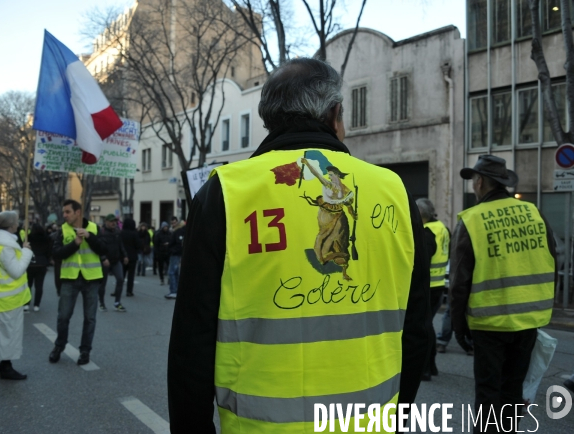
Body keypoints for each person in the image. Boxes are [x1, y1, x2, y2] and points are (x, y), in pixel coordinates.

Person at [167, 58, 430, 433]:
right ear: (335, 113)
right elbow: (417, 326)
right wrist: (398, 414)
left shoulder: (225, 191)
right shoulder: (394, 191)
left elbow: (192, 339)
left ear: (267, 119)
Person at [450, 155, 557, 433]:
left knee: (488, 391)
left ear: (481, 182)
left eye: (474, 179)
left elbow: (459, 282)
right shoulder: (533, 213)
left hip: (490, 323)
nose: (474, 184)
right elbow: (551, 258)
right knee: (512, 390)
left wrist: (458, 328)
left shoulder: (473, 219)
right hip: (529, 320)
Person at [49, 199, 106, 366]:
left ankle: (85, 351)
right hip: (70, 278)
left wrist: (89, 237)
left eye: (68, 212)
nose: (64, 215)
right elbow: (56, 254)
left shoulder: (94, 228)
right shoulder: (63, 230)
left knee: (90, 318)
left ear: (78, 212)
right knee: (63, 317)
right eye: (64, 212)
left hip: (91, 278)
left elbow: (104, 249)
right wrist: (75, 244)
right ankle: (59, 346)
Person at [0, 211, 33, 380]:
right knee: (9, 333)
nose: (18, 224)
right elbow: (16, 271)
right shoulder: (6, 245)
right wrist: (26, 252)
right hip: (9, 298)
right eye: (17, 221)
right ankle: (6, 367)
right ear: (11, 225)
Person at [416, 198, 450, 381]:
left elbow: (422, 262)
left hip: (429, 286)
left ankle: (426, 368)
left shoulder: (427, 233)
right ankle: (432, 365)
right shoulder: (442, 228)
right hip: (439, 285)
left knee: (424, 328)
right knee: (427, 326)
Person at [97, 214, 128, 312]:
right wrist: (103, 258)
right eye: (111, 221)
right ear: (106, 222)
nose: (113, 223)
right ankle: (101, 303)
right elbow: (99, 248)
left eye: (114, 221)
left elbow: (121, 245)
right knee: (103, 284)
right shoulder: (102, 233)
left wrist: (125, 255)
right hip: (105, 262)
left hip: (116, 261)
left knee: (120, 279)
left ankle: (117, 303)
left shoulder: (118, 232)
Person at [25, 223, 53, 312]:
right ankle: (37, 305)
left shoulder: (28, 237)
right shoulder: (46, 238)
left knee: (28, 285)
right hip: (42, 263)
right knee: (39, 286)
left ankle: (26, 303)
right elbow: (49, 251)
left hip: (31, 263)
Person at [165, 220, 186, 299]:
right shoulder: (182, 231)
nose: (173, 224)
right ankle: (176, 290)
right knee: (175, 272)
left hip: (175, 254)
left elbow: (178, 243)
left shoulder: (179, 231)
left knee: (172, 272)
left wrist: (172, 250)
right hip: (177, 253)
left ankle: (173, 291)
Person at [121, 218, 142, 296]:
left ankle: (118, 290)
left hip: (123, 257)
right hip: (132, 256)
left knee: (121, 275)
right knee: (131, 275)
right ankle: (129, 291)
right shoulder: (134, 233)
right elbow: (138, 245)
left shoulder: (121, 233)